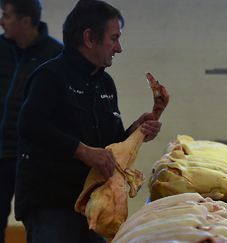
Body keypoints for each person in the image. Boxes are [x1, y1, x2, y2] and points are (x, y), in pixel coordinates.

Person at [14, 0, 162, 242]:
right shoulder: (49, 77)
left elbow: (110, 145)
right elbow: (30, 126)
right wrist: (83, 151)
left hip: (93, 204)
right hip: (52, 208)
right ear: (89, 38)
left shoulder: (105, 84)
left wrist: (136, 131)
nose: (119, 48)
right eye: (114, 38)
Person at [0, 0, 63, 242]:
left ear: (25, 21)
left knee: (38, 223)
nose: (1, 20)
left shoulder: (55, 56)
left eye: (6, 15)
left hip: (34, 160)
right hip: (1, 152)